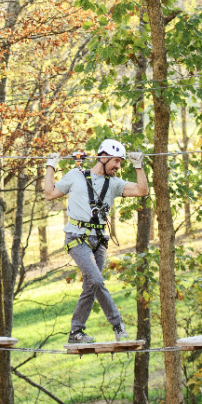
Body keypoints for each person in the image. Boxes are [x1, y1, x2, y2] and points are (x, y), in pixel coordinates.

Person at [43, 139, 149, 344]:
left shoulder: (115, 184)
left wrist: (139, 167)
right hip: (77, 238)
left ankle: (76, 332)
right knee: (98, 281)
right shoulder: (76, 176)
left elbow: (142, 191)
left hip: (99, 240)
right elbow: (49, 194)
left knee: (91, 286)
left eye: (120, 162)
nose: (118, 166)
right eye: (115, 161)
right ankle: (118, 325)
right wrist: (50, 167)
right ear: (103, 157)